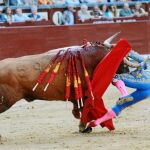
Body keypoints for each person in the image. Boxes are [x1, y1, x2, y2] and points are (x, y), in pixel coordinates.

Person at [85, 51, 150, 131]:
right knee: (120, 105)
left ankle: (124, 94)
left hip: (141, 81)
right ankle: (96, 123)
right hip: (147, 91)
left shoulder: (143, 60)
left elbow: (133, 54)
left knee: (114, 77)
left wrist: (125, 51)